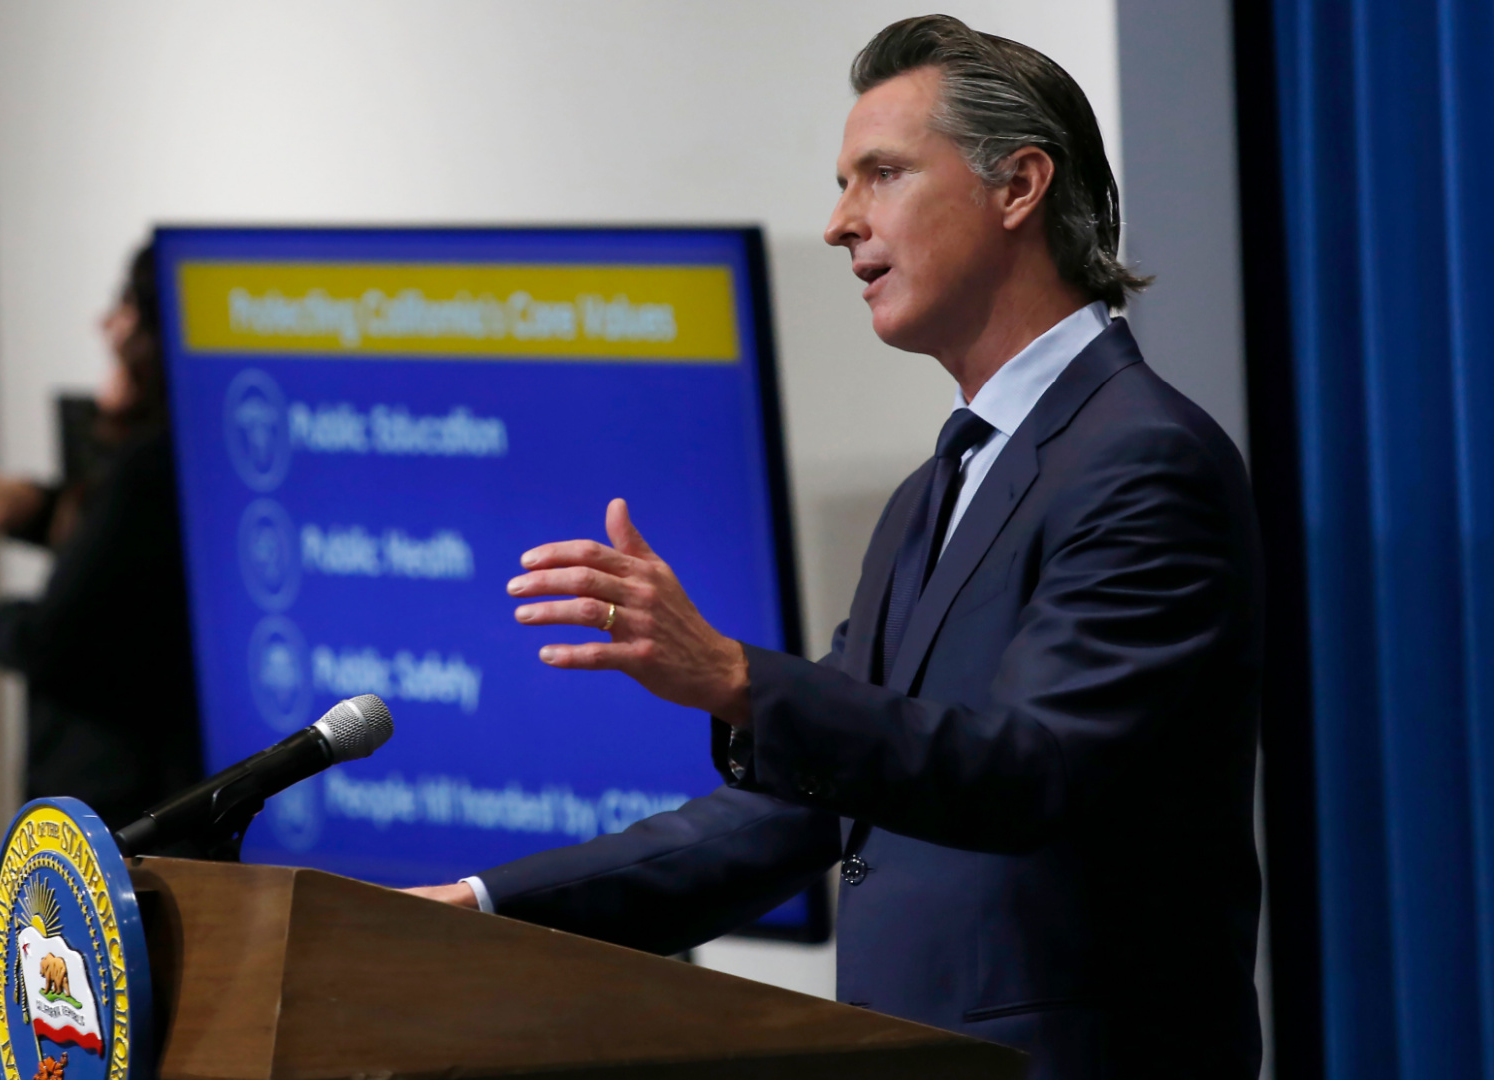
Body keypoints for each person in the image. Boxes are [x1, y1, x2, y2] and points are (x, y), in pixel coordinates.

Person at [406, 16, 1262, 1079]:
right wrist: (485, 907)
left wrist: (732, 676)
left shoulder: (1142, 458)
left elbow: (1030, 772)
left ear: (1019, 186)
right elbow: (798, 810)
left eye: (882, 175)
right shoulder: (936, 487)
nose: (838, 224)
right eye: (843, 183)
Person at [0, 242, 203, 831]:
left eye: (125, 307)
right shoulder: (177, 453)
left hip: (117, 797)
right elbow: (123, 551)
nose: (105, 325)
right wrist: (33, 506)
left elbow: (53, 638)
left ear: (151, 333)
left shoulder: (147, 467)